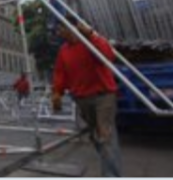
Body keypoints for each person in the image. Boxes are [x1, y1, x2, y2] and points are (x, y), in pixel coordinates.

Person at [51, 21, 122, 177]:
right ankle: (111, 168)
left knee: (105, 137)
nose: (58, 33)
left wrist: (90, 34)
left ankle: (112, 175)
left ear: (71, 28)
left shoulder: (91, 42)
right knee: (97, 138)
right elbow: (60, 73)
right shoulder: (63, 51)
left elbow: (108, 55)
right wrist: (57, 92)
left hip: (103, 96)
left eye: (60, 29)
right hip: (82, 98)